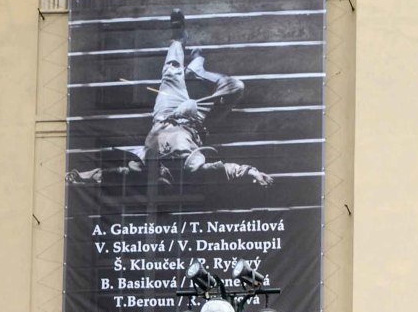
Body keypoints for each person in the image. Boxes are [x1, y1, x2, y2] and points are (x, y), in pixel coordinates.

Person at [69, 10, 274, 196]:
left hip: (165, 113)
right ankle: (198, 72)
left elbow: (110, 175)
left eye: (159, 179)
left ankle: (178, 40)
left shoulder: (143, 167)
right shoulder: (189, 167)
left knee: (171, 72)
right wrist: (250, 172)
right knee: (236, 87)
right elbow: (221, 170)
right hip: (195, 120)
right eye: (165, 179)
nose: (162, 175)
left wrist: (79, 176)